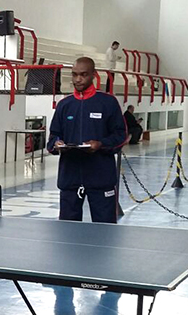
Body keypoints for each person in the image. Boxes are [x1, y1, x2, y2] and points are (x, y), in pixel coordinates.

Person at [46, 57, 128, 223]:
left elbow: (121, 136)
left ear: (93, 75)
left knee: (105, 230)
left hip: (101, 179)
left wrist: (101, 144)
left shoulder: (108, 102)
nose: (78, 79)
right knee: (68, 231)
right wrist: (57, 144)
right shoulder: (64, 105)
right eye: (74, 74)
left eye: (83, 75)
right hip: (70, 180)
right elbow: (52, 138)